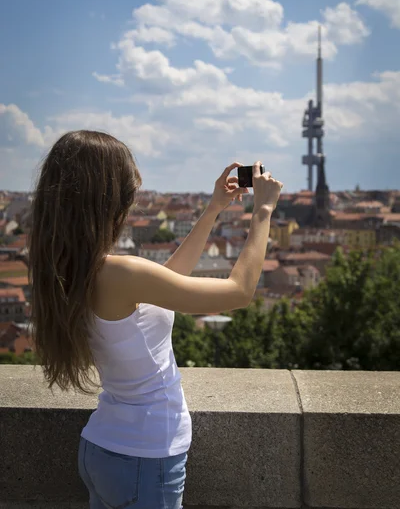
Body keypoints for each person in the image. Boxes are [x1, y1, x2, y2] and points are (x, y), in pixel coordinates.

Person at [28, 130, 283, 509]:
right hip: (146, 458)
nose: (131, 205)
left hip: (103, 449)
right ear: (106, 200)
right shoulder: (119, 272)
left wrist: (214, 208)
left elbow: (170, 282)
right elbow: (239, 292)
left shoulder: (70, 268)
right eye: (128, 194)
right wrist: (262, 213)